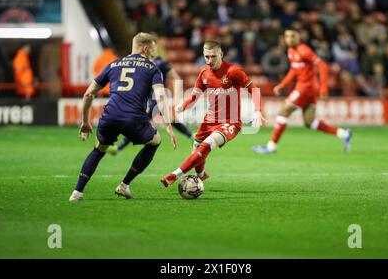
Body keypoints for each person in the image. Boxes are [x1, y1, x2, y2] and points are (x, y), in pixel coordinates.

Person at [69, 32, 177, 201]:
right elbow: (161, 97)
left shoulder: (113, 64)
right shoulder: (152, 68)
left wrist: (85, 122)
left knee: (99, 149)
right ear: (145, 47)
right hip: (134, 119)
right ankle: (124, 185)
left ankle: (77, 192)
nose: (154, 54)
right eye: (153, 50)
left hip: (110, 116)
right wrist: (169, 126)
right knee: (155, 141)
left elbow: (88, 94)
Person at [160, 40, 265, 187]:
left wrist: (257, 111)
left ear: (221, 54)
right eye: (206, 56)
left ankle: (174, 175)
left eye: (213, 56)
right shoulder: (204, 73)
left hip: (230, 122)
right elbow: (194, 95)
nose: (210, 61)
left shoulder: (233, 71)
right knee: (195, 148)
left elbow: (254, 89)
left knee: (206, 145)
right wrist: (183, 106)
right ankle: (201, 175)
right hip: (209, 120)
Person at [253, 29, 352, 154]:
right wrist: (283, 84)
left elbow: (322, 65)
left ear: (299, 37)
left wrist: (324, 87)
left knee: (284, 112)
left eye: (292, 36)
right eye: (287, 36)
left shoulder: (304, 50)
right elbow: (294, 70)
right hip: (308, 89)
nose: (289, 38)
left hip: (306, 88)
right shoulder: (290, 50)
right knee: (309, 122)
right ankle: (344, 134)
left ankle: (271, 146)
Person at [108, 55, 193, 155]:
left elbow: (177, 79)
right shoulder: (142, 63)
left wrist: (176, 100)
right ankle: (192, 136)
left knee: (139, 122)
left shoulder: (160, 63)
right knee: (170, 119)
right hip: (147, 98)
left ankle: (119, 147)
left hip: (156, 97)